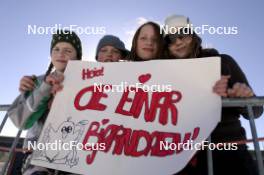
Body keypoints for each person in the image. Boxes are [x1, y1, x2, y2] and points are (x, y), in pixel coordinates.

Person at [163, 14, 263, 175]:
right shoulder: (163, 74)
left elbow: (256, 111)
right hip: (181, 156)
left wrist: (244, 99)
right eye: (171, 39)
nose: (178, 41)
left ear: (193, 36)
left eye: (183, 34)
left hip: (229, 150)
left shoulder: (224, 62)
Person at [8, 30, 82, 175]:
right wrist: (44, 90)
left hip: (73, 153)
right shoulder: (35, 82)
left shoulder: (86, 83)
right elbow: (20, 122)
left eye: (68, 50)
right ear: (50, 54)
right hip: (36, 152)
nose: (61, 54)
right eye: (56, 49)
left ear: (78, 57)